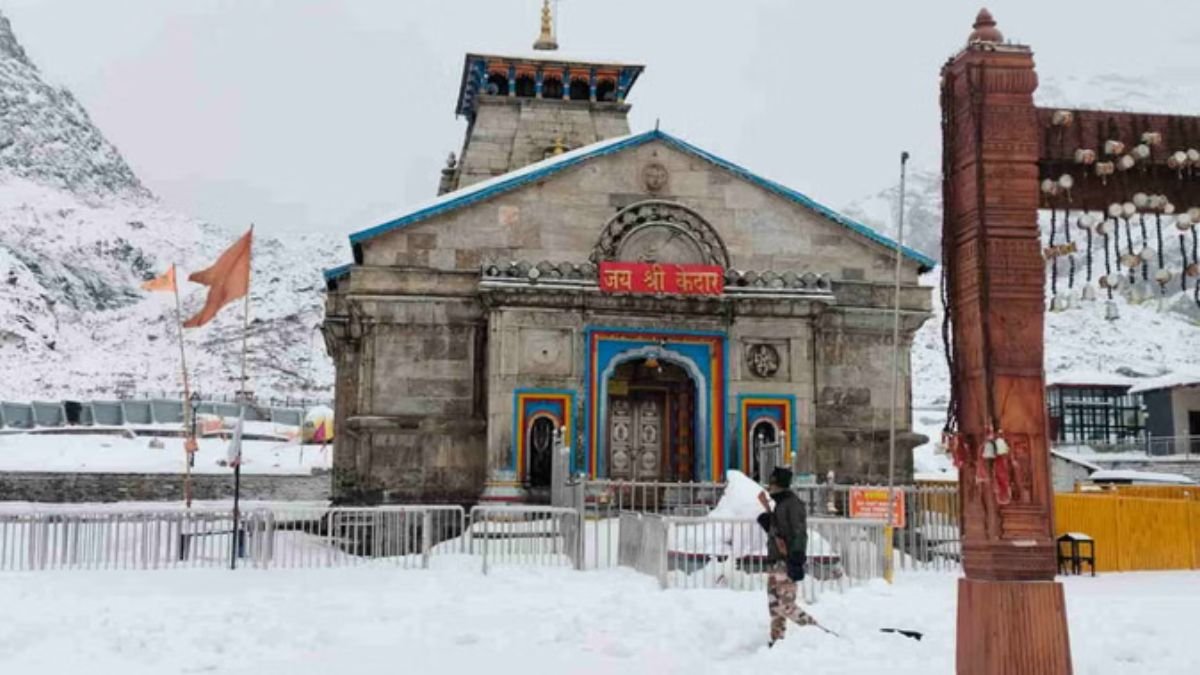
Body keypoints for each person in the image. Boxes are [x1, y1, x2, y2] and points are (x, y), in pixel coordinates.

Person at [756, 467, 824, 645]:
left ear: (779, 485)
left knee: (786, 605)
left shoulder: (792, 504)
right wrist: (768, 522)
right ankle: (777, 640)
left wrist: (796, 558)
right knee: (774, 606)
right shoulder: (780, 505)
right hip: (775, 560)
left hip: (786, 561)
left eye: (772, 484)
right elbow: (779, 531)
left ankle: (818, 632)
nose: (769, 488)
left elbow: (799, 532)